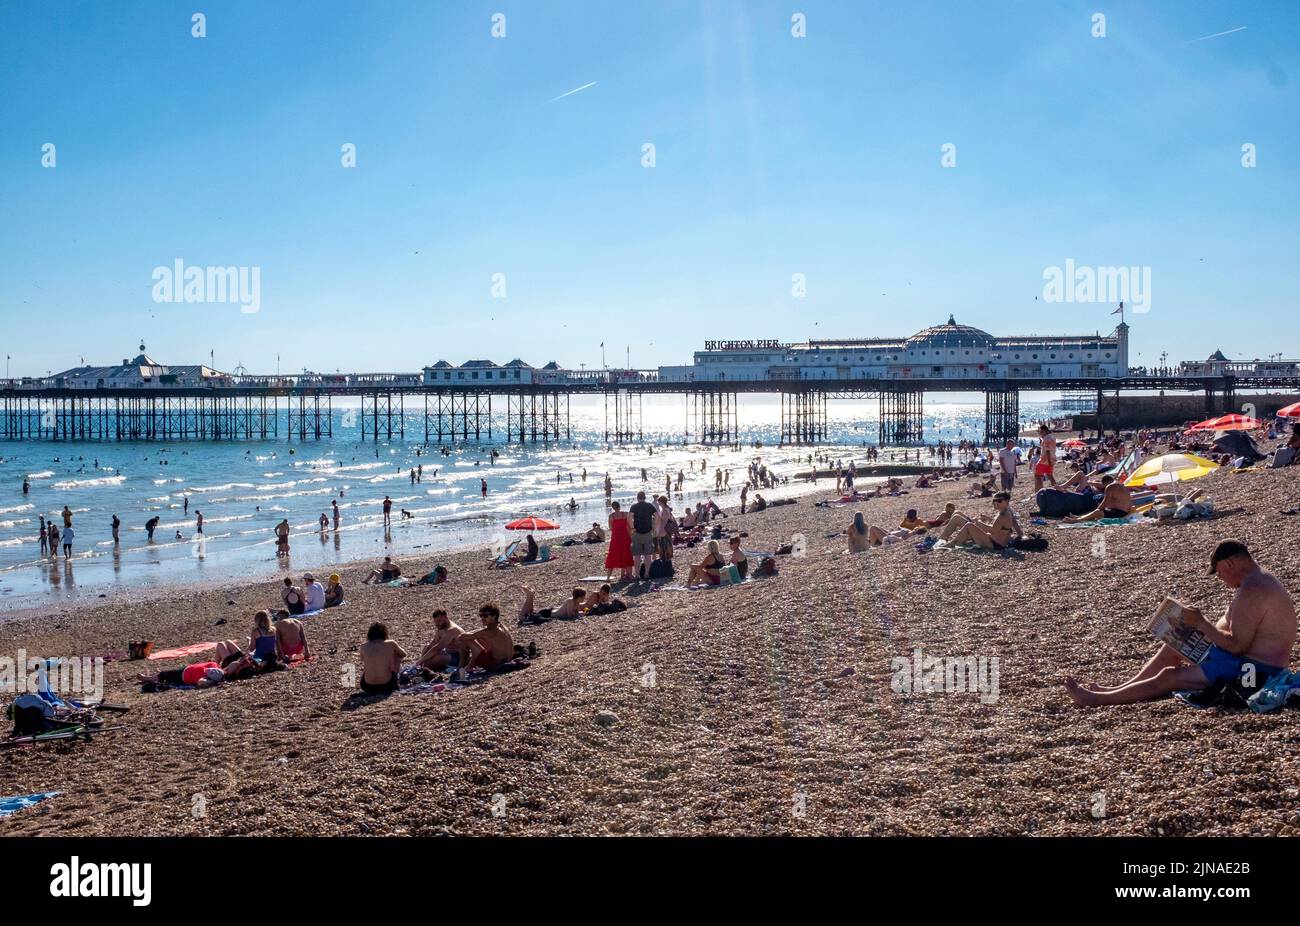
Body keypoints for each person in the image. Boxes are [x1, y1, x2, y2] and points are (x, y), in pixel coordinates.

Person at [1064, 541, 1297, 706]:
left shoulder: (1253, 589)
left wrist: (1202, 623)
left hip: (1254, 672)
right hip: (1239, 661)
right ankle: (1118, 690)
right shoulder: (1260, 579)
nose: (1221, 580)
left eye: (1218, 574)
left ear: (1229, 565)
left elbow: (1238, 646)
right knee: (1173, 644)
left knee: (1169, 676)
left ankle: (1096, 700)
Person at [446, 603, 514, 678]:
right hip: (506, 661)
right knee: (477, 639)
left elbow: (461, 637)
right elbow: (478, 633)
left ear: (494, 616)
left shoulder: (490, 631)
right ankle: (469, 667)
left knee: (465, 640)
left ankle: (460, 669)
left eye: (485, 616)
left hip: (495, 664)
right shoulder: (501, 627)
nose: (482, 618)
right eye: (481, 616)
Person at [934, 492, 1020, 550]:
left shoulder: (1004, 514)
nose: (996, 503)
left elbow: (993, 530)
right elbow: (1000, 526)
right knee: (957, 515)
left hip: (994, 544)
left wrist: (979, 523)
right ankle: (945, 541)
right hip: (991, 539)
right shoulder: (1004, 512)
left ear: (1007, 501)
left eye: (999, 501)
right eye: (994, 501)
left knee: (968, 525)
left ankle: (950, 543)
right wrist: (987, 519)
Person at [1062, 475, 1135, 523]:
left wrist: (1097, 510)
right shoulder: (1121, 485)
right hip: (1123, 511)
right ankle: (1079, 517)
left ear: (1105, 484)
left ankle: (1076, 520)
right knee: (1098, 512)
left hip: (1119, 513)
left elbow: (1105, 503)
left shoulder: (1110, 487)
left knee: (1098, 512)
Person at [359, 622, 406, 694]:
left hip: (367, 686)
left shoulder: (363, 646)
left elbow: (362, 659)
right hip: (387, 685)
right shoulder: (391, 643)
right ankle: (395, 680)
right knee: (397, 655)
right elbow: (403, 654)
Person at [629, 490, 658, 580]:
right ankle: (646, 573)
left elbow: (629, 517)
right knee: (647, 555)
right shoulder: (649, 506)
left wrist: (632, 527)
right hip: (648, 532)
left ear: (637, 498)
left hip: (637, 532)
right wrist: (654, 526)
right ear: (645, 497)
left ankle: (637, 574)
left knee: (637, 555)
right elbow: (657, 516)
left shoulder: (634, 506)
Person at [604, 500, 634, 582]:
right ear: (619, 506)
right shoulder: (626, 514)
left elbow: (610, 528)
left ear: (613, 508)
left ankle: (608, 577)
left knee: (612, 555)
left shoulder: (611, 516)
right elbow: (631, 525)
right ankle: (630, 575)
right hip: (625, 537)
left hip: (616, 538)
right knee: (626, 554)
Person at [1034, 424, 1058, 491]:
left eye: (1040, 431)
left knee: (1038, 475)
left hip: (1045, 459)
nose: (1040, 433)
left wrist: (1049, 460)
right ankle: (1057, 489)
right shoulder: (1052, 437)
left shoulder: (1046, 438)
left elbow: (1047, 450)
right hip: (1052, 458)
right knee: (1050, 475)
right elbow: (1051, 449)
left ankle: (1039, 491)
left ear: (1044, 431)